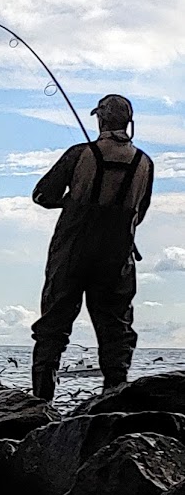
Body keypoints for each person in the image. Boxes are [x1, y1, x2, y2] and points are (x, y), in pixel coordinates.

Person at [30, 94, 154, 400]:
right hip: (117, 256)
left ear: (100, 119)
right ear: (129, 123)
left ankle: (41, 402)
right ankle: (114, 395)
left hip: (72, 250)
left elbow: (42, 195)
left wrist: (72, 202)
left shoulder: (78, 154)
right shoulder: (144, 163)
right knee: (116, 328)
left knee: (53, 324)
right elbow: (140, 213)